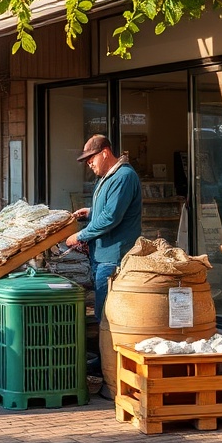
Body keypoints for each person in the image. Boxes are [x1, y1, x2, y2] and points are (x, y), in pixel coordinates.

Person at [66, 134, 142, 323]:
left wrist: (81, 235)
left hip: (113, 257)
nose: (89, 164)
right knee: (102, 312)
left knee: (107, 316)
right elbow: (109, 209)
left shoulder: (123, 176)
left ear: (105, 153)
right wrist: (91, 212)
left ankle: (106, 353)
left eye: (91, 159)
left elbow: (111, 217)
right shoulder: (107, 177)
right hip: (101, 256)